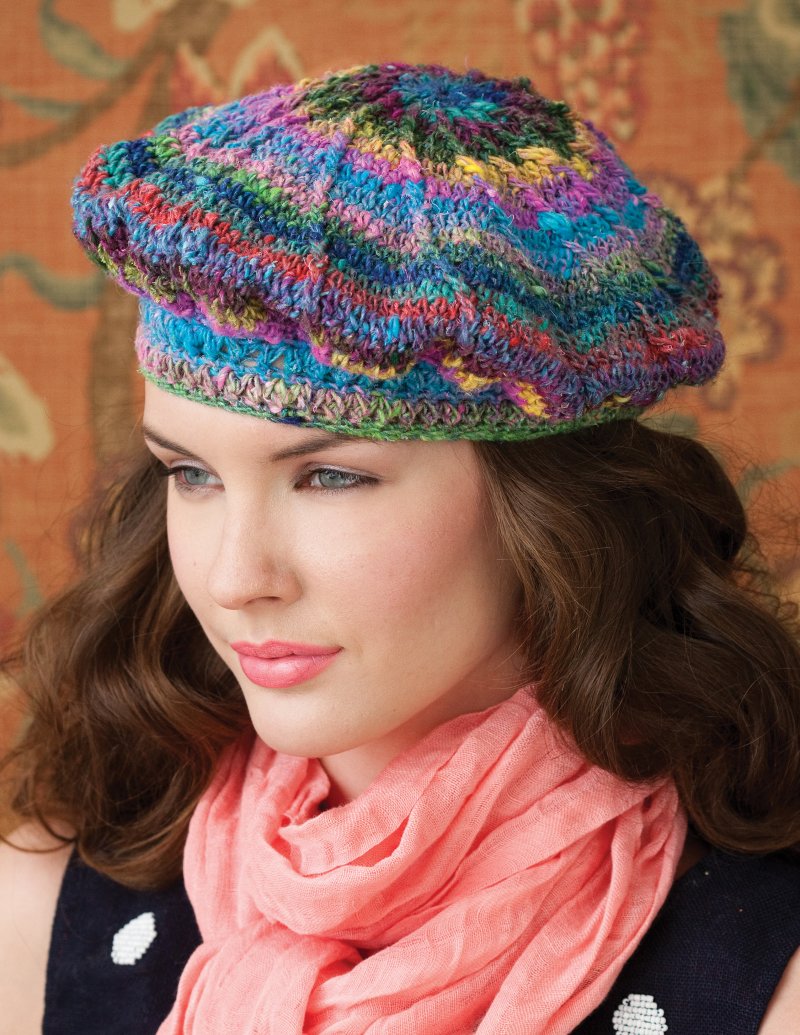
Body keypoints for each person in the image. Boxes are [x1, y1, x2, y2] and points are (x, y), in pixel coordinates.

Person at [1, 61, 799, 1035]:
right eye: (192, 474)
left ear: (549, 510)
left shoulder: (764, 986)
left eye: (329, 478)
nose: (234, 577)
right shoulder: (38, 923)